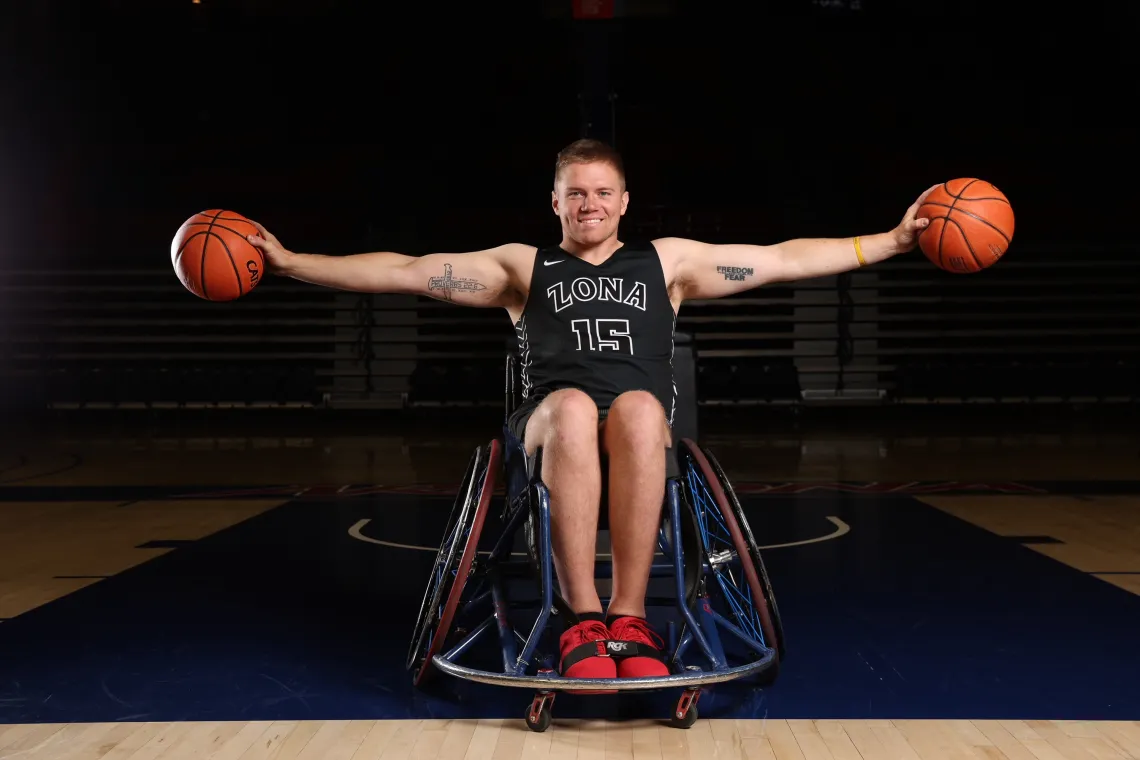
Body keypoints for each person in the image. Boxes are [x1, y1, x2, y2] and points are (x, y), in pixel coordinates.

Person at [247, 139, 934, 684]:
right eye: (576, 193)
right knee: (574, 404)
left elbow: (780, 260)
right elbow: (406, 270)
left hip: (638, 434)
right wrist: (290, 262)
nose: (590, 204)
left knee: (637, 406)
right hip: (550, 430)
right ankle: (581, 619)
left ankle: (628, 620)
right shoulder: (523, 267)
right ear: (555, 201)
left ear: (625, 200)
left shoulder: (668, 263)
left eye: (603, 192)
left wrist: (893, 242)